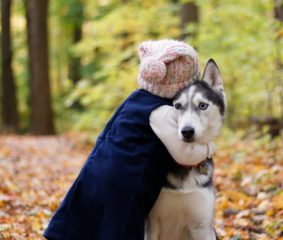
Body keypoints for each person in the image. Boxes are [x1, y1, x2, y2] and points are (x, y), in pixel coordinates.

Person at [44, 39, 214, 240]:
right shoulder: (163, 112)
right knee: (120, 229)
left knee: (90, 224)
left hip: (97, 171)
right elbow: (185, 155)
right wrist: (209, 148)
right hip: (127, 182)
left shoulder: (134, 99)